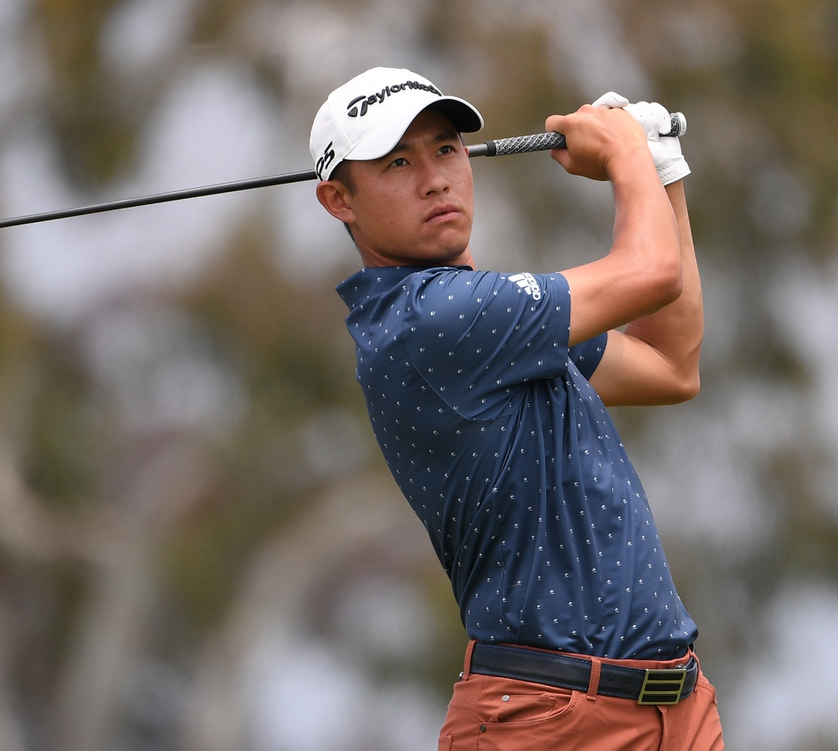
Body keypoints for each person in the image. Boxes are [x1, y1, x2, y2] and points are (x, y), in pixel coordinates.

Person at [310, 67, 723, 749]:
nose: (435, 178)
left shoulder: (491, 318)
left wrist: (662, 171)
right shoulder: (429, 320)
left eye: (445, 150)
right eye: (397, 162)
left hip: (675, 709)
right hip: (545, 721)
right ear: (339, 199)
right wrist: (626, 155)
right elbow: (650, 272)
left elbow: (669, 366)